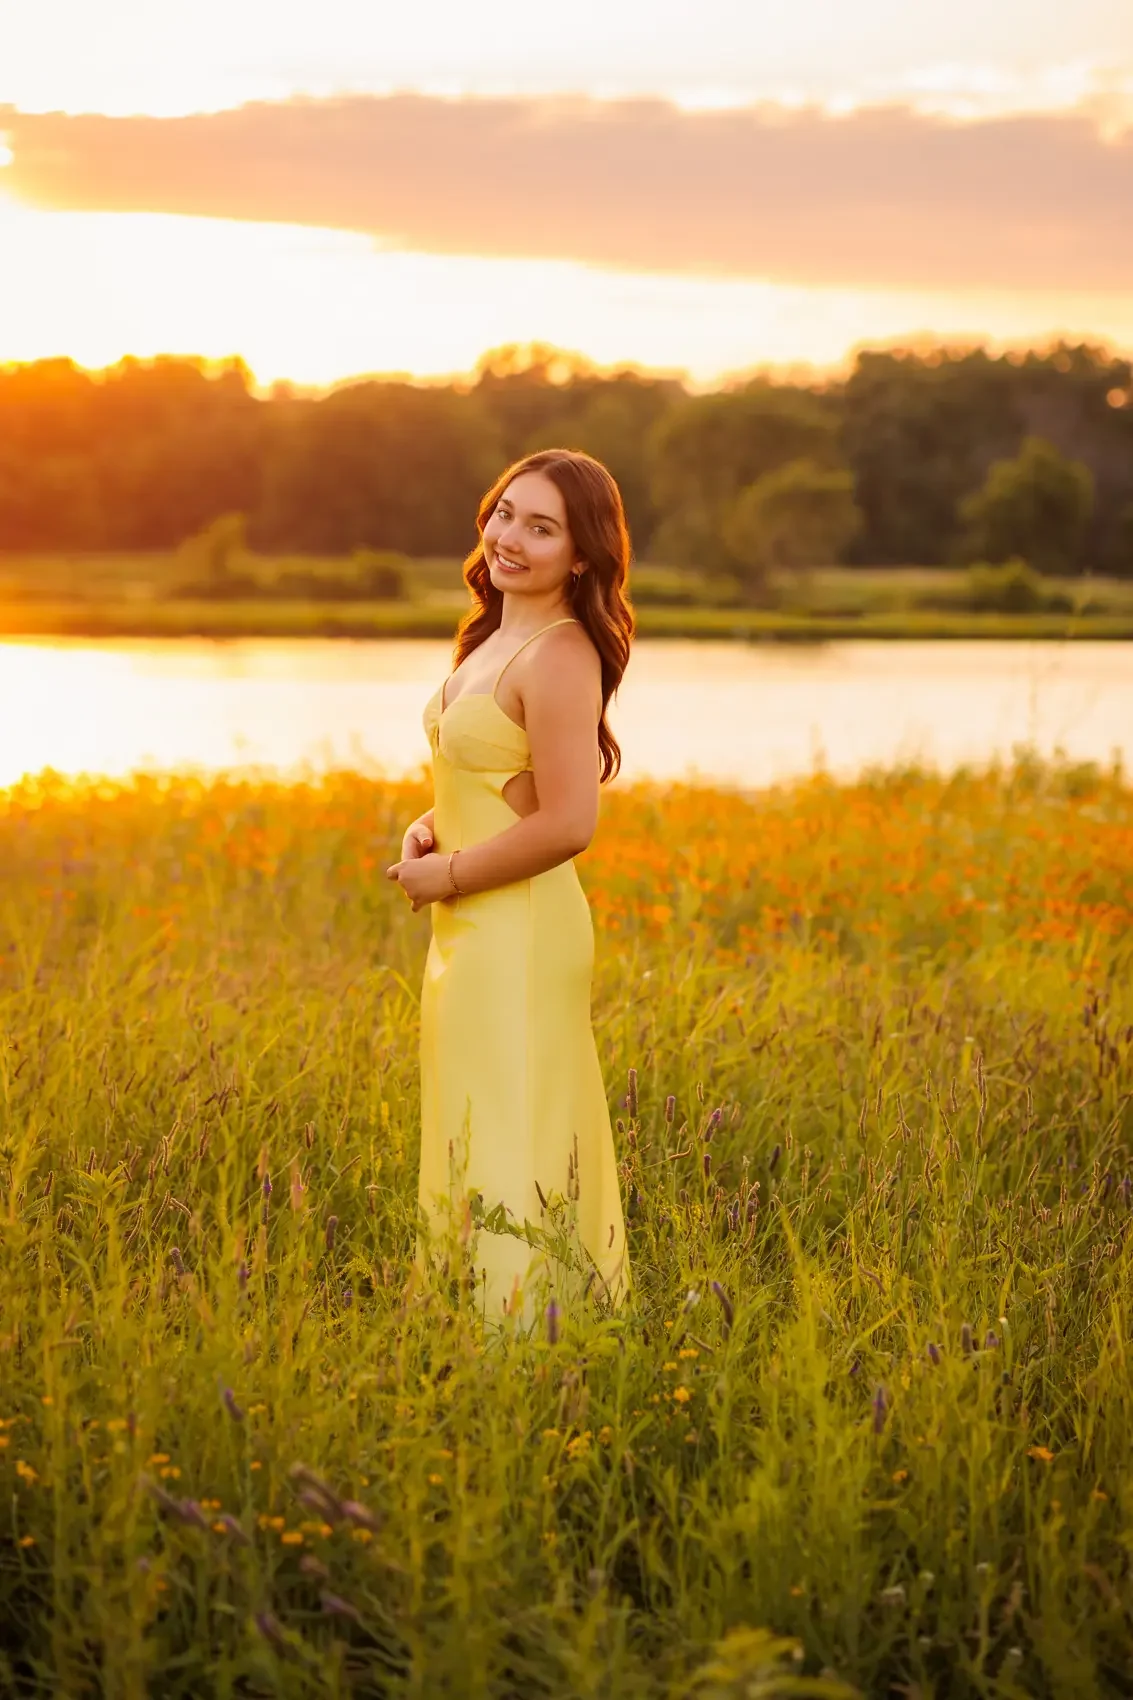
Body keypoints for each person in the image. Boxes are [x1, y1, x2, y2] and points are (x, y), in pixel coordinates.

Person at [386, 448, 635, 1329]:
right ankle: (467, 1316)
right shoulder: (495, 636)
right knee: (473, 1118)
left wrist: (446, 873)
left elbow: (569, 822)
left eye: (541, 527)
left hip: (519, 929)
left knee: (515, 1119)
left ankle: (527, 1338)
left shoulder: (563, 656)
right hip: (472, 923)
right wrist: (431, 823)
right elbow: (490, 779)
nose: (509, 539)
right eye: (503, 514)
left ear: (582, 554)